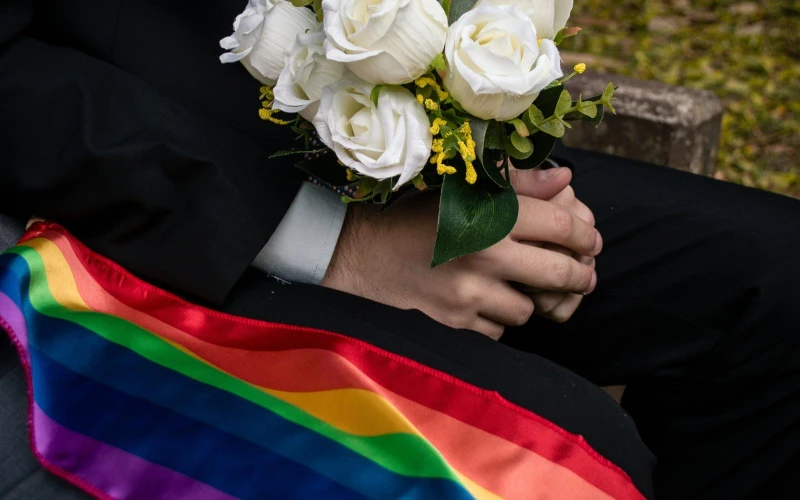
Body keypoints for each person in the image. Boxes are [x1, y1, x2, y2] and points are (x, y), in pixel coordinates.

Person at [0, 1, 797, 499]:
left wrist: (486, 139)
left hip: (350, 135)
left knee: (778, 284)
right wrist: (332, 243)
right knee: (558, 463)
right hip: (124, 200)